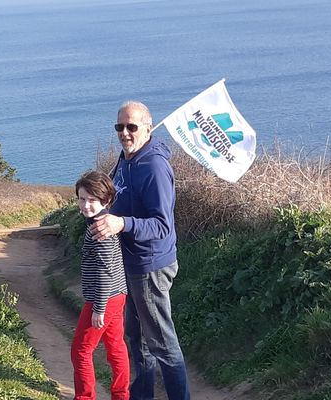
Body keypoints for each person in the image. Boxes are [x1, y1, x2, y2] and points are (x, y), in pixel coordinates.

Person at [90, 101, 191, 400]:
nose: (124, 133)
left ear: (148, 127)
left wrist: (122, 223)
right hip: (130, 263)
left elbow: (162, 225)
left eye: (132, 127)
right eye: (119, 127)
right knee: (136, 337)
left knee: (161, 342)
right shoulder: (126, 158)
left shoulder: (155, 167)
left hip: (150, 266)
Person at [71, 170, 130, 400]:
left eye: (92, 200)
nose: (86, 205)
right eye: (82, 198)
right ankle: (121, 395)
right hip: (118, 294)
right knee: (116, 348)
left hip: (104, 298)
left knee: (81, 350)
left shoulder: (99, 230)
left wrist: (99, 308)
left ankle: (84, 397)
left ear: (106, 201)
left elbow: (105, 272)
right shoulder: (101, 222)